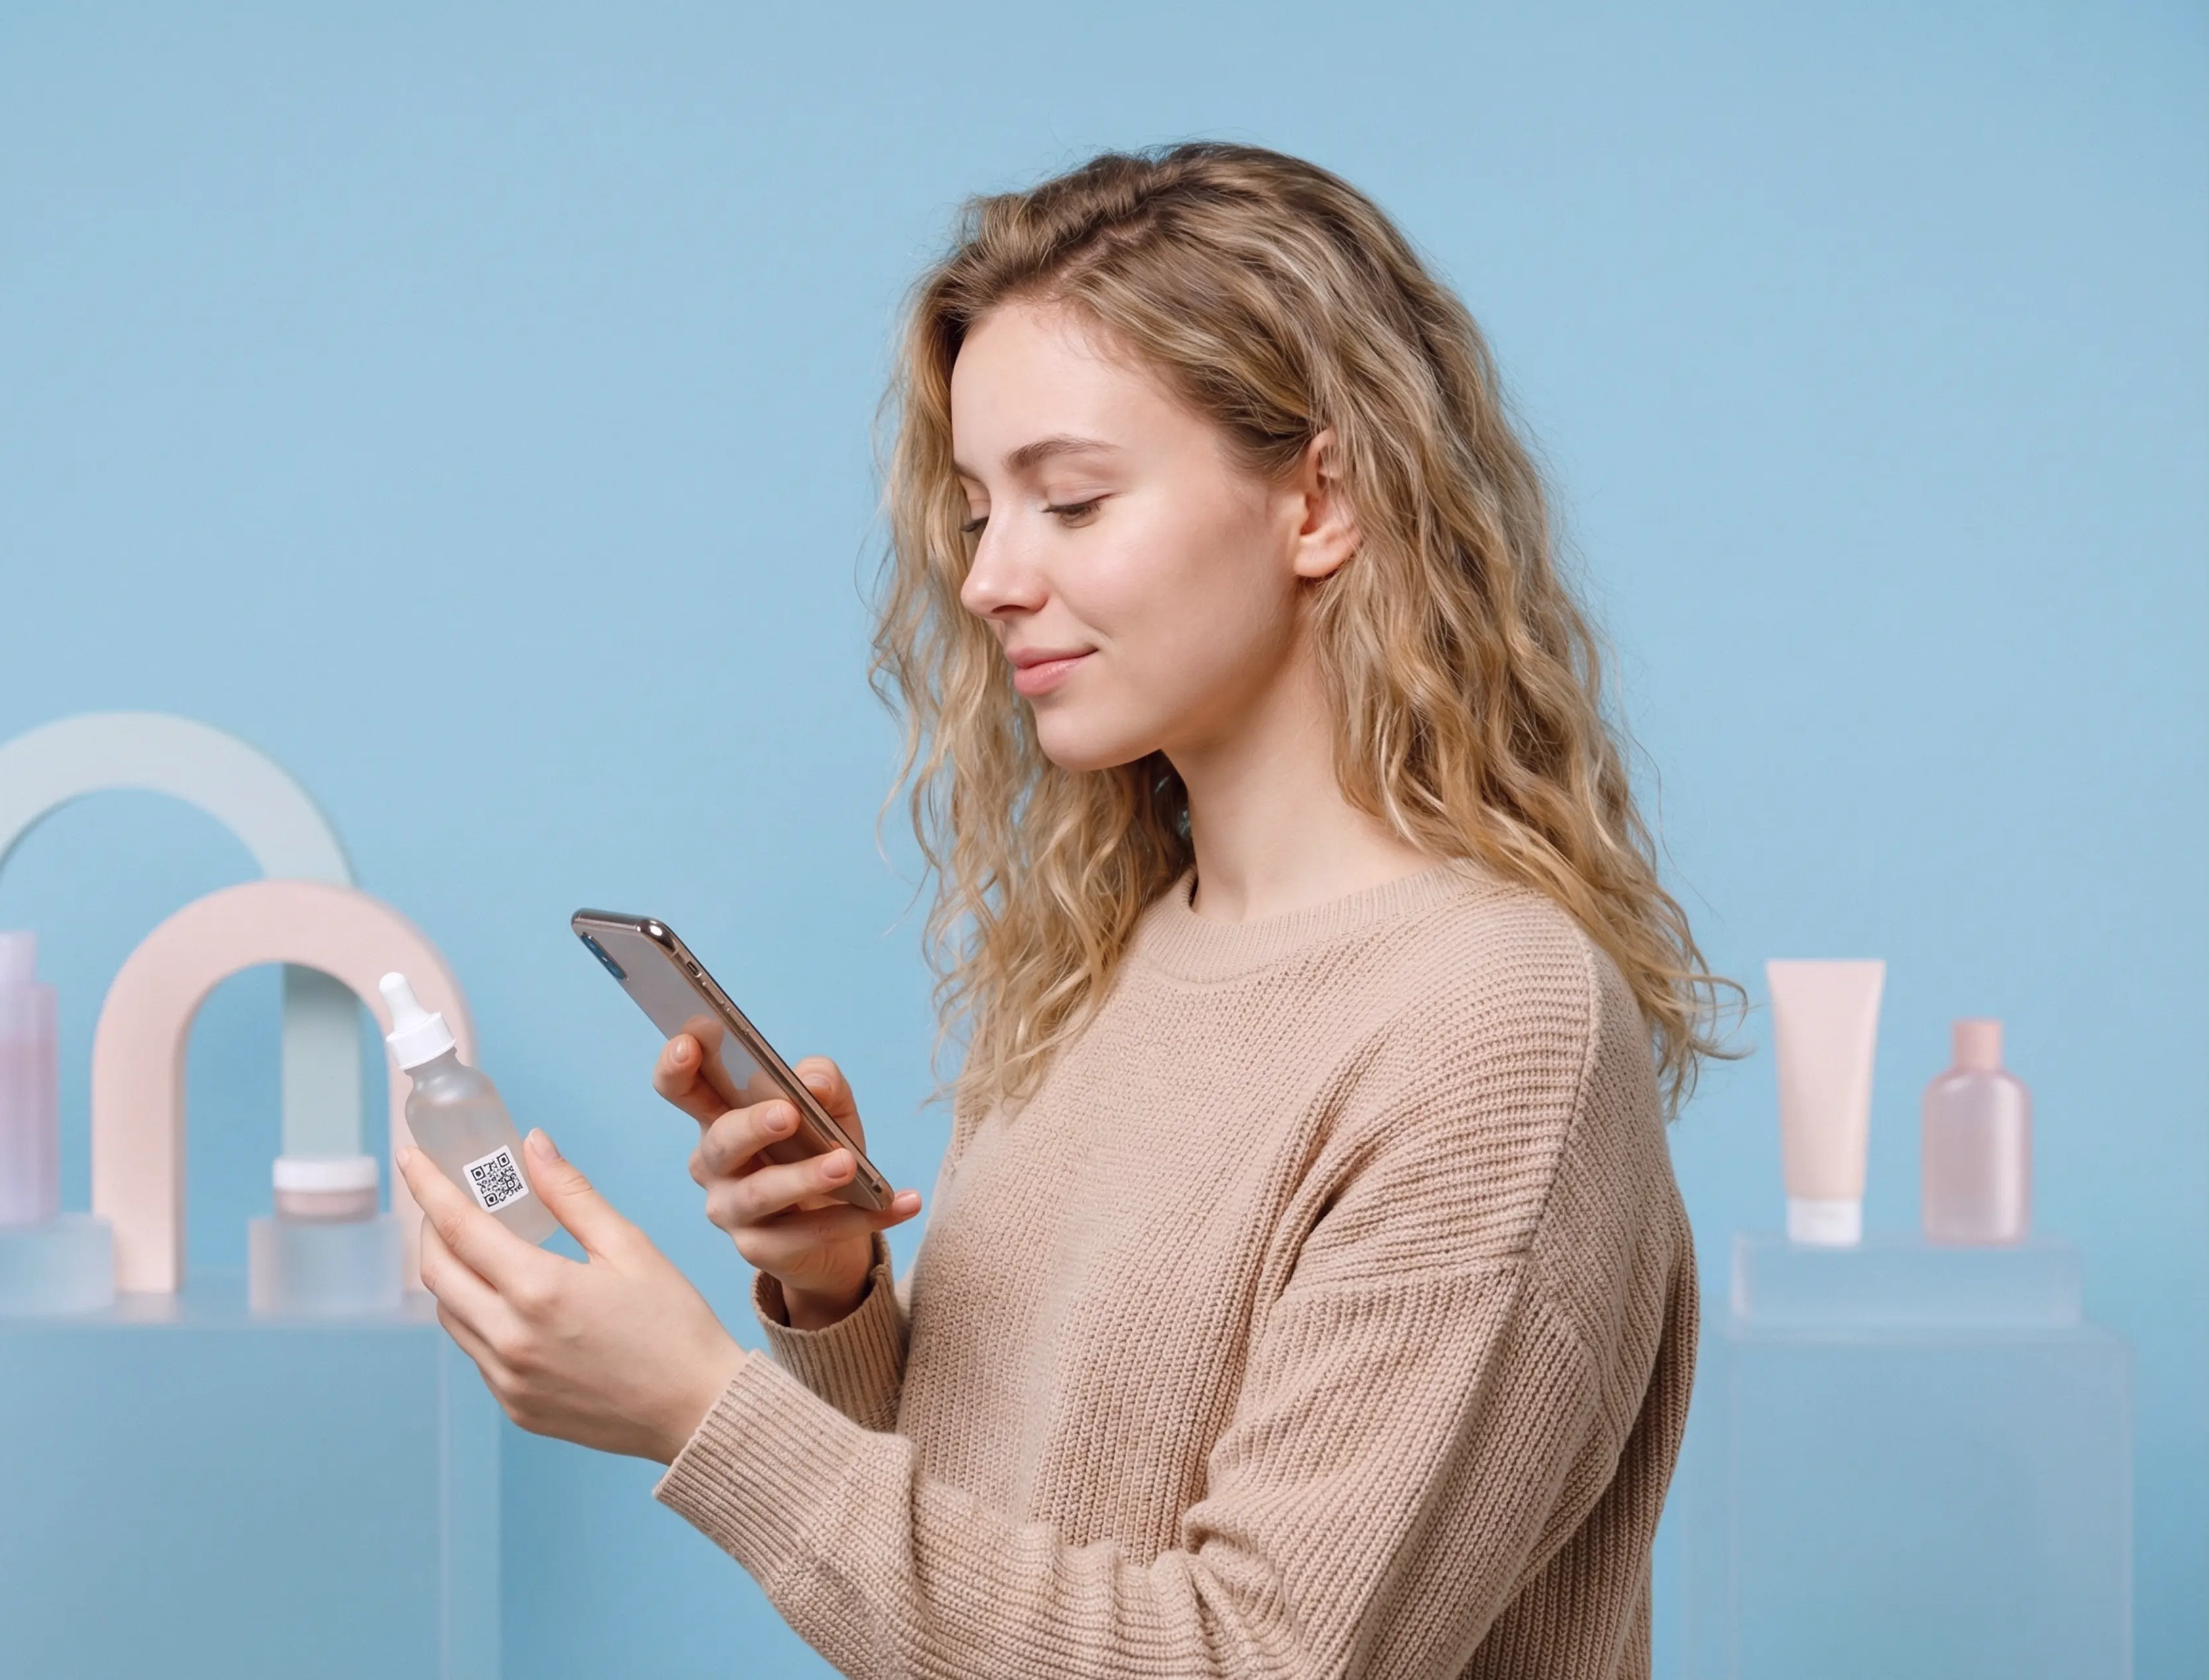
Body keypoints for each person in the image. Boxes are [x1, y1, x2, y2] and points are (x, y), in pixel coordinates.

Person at [397, 141, 1729, 1679]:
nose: (989, 579)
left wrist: (701, 1411)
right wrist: (836, 1297)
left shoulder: (1494, 1033)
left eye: (1072, 502)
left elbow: (1248, 1659)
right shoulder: (1111, 962)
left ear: (1319, 498)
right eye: (978, 511)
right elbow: (974, 1578)